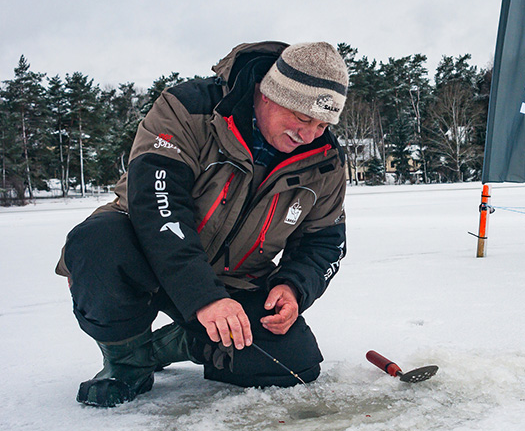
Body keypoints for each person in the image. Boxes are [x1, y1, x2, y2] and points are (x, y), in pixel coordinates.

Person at [56, 41, 349, 407]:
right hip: (148, 255)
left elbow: (325, 242)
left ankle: (165, 347)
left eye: (322, 124)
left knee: (295, 363)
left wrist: (294, 287)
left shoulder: (325, 161)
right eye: (303, 119)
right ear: (269, 94)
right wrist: (204, 297)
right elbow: (158, 209)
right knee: (97, 242)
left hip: (235, 278)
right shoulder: (188, 110)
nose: (308, 134)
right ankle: (126, 361)